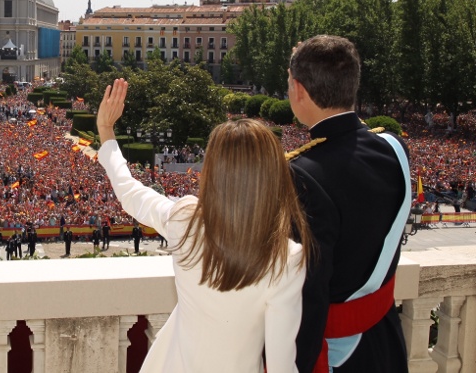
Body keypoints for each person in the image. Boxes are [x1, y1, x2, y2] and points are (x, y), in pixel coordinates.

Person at [96, 78, 312, 373]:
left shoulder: (185, 219)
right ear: (273, 174)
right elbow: (281, 366)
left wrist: (106, 131)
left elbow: (131, 193)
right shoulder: (288, 258)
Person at [287, 36, 410, 373]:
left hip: (337, 356)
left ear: (298, 90)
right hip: (385, 340)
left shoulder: (301, 175)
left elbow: (306, 294)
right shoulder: (395, 149)